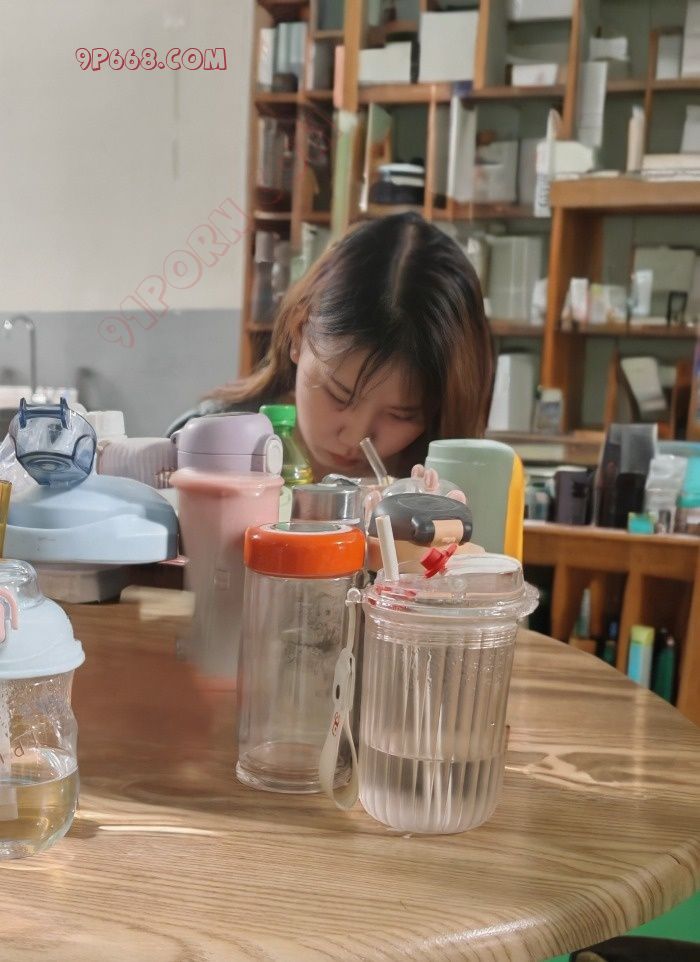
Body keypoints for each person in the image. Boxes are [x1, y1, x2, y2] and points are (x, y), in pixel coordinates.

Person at [167, 212, 494, 481]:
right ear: (298, 333)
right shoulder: (204, 446)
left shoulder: (440, 483)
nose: (354, 437)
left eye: (402, 415)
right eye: (338, 394)